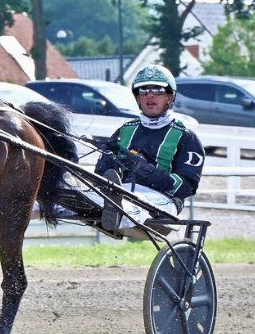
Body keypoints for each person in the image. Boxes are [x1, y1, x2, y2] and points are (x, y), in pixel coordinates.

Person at [63, 64, 204, 234]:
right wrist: (112, 161)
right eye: (143, 90)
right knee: (76, 194)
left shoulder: (186, 137)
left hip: (163, 202)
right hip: (120, 193)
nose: (150, 95)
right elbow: (101, 174)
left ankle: (119, 209)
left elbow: (186, 186)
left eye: (158, 90)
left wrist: (143, 168)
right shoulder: (125, 130)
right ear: (137, 98)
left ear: (170, 96)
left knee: (129, 201)